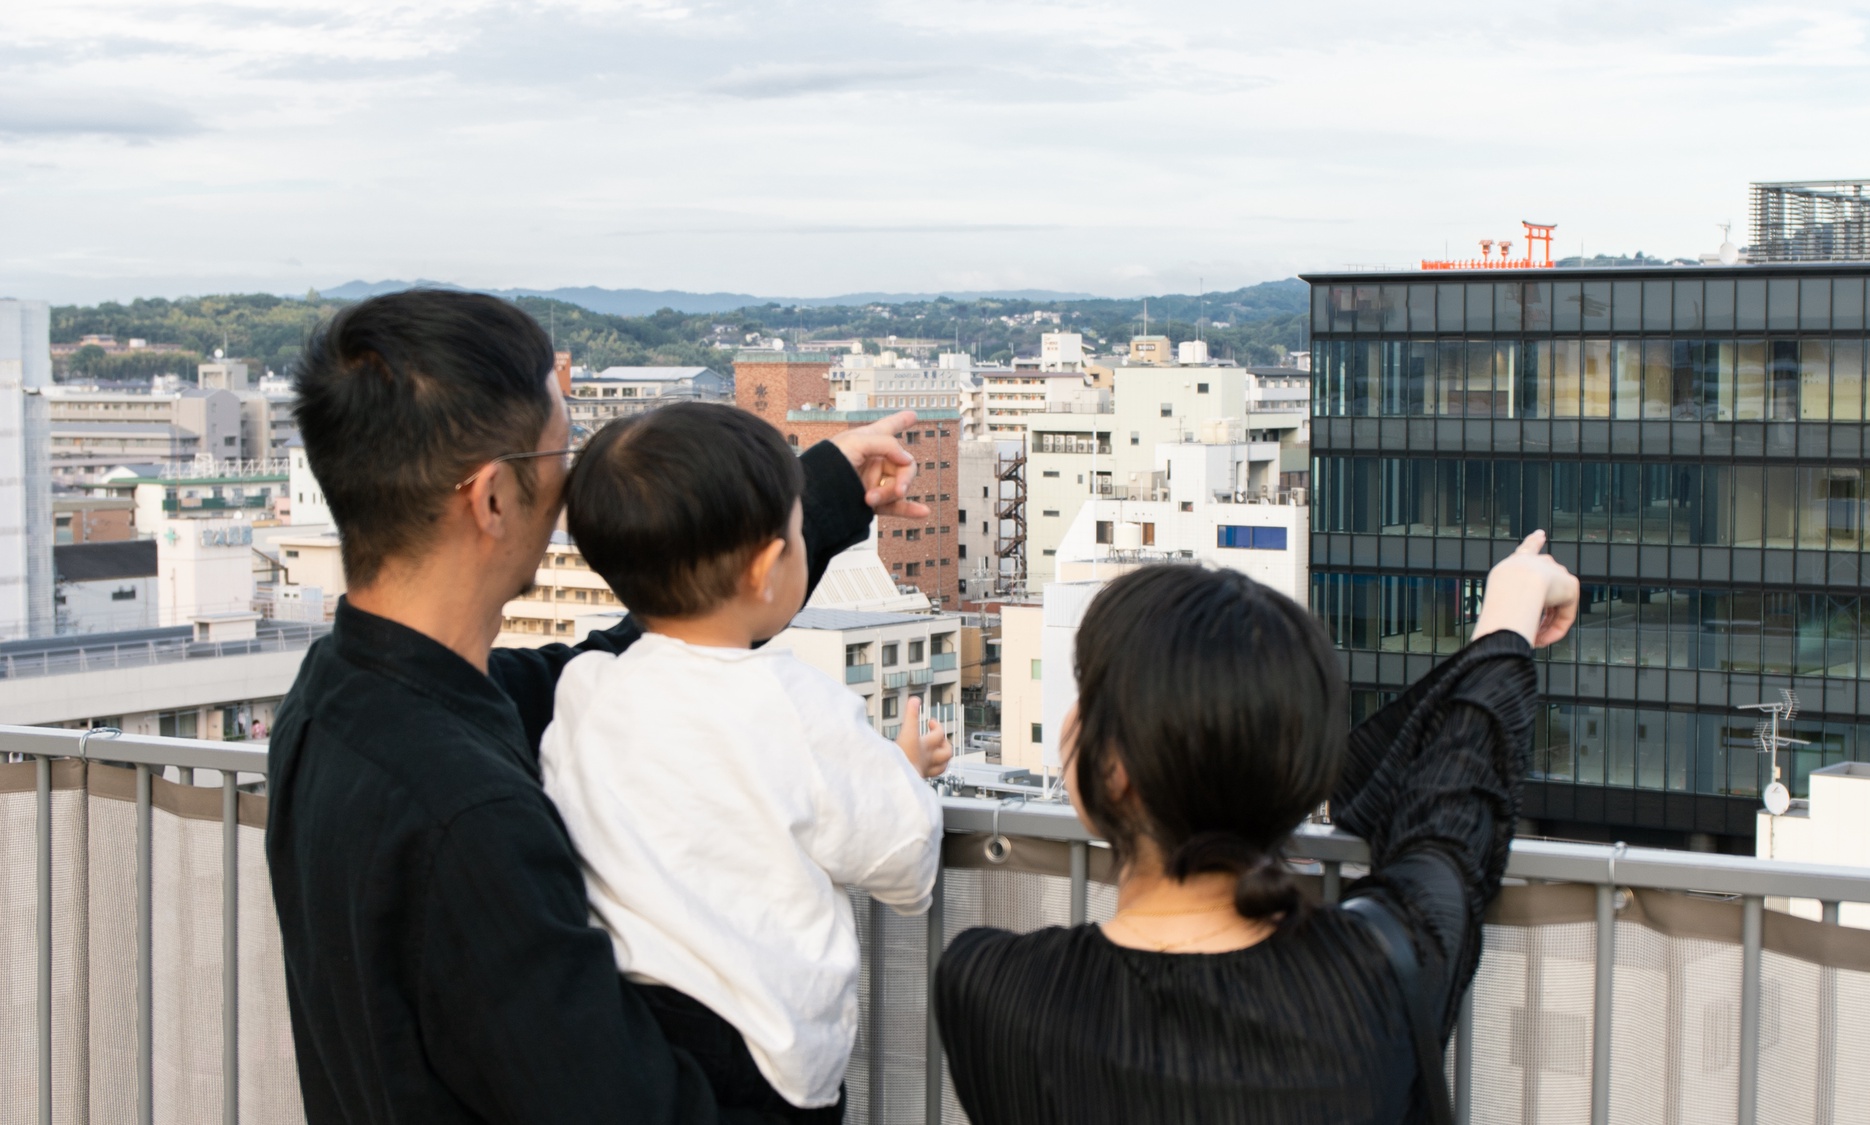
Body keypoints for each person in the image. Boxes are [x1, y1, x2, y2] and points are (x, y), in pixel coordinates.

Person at [265, 289, 929, 1125]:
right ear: (492, 499)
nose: (575, 484)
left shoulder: (339, 697)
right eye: (559, 455)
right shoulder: (465, 817)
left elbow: (663, 651)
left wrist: (812, 493)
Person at [935, 534, 1579, 1125]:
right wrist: (1511, 604)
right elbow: (1453, 813)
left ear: (1117, 770)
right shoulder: (1379, 974)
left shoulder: (994, 993)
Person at [541, 403, 950, 1122]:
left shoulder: (586, 689)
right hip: (762, 1052)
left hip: (622, 1026)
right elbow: (902, 855)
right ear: (766, 567)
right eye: (798, 532)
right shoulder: (797, 704)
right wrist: (903, 773)